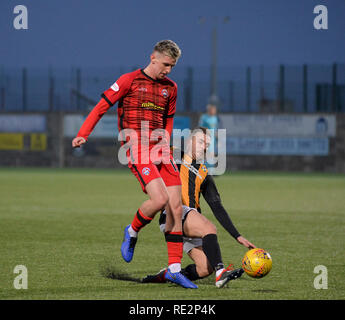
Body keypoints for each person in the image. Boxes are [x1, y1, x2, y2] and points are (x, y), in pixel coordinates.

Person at [72, 40, 197, 289]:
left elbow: (168, 119)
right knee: (160, 200)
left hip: (159, 149)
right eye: (166, 64)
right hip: (136, 148)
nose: (169, 70)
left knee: (175, 205)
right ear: (153, 57)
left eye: (172, 66)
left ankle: (173, 269)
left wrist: (165, 141)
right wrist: (84, 133)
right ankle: (132, 231)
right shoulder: (129, 80)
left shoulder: (170, 88)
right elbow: (100, 108)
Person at [142, 127, 256, 288]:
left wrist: (237, 235)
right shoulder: (173, 154)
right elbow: (149, 151)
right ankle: (221, 273)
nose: (204, 147)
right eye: (201, 142)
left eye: (207, 144)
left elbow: (217, 206)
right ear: (190, 140)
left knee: (204, 268)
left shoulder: (203, 172)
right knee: (209, 228)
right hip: (173, 214)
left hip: (190, 220)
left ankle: (168, 275)